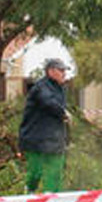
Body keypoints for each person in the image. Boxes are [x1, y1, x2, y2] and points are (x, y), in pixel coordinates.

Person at [19, 58, 70, 192]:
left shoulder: (61, 89)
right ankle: (29, 193)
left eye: (65, 70)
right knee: (35, 172)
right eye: (61, 70)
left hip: (55, 140)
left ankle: (51, 199)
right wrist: (63, 113)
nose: (64, 74)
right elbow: (48, 102)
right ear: (50, 71)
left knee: (55, 172)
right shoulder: (40, 87)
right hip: (36, 139)